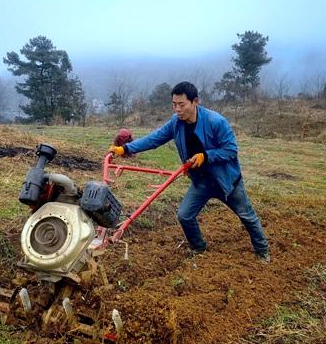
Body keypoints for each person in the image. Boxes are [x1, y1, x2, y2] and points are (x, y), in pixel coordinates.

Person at [109, 81, 271, 263]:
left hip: (226, 182)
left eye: (181, 104)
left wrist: (205, 156)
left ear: (195, 102)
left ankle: (262, 251)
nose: (177, 109)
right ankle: (199, 248)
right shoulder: (176, 123)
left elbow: (231, 150)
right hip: (201, 182)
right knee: (184, 215)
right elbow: (155, 138)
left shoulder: (216, 122)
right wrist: (126, 149)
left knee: (247, 216)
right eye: (174, 105)